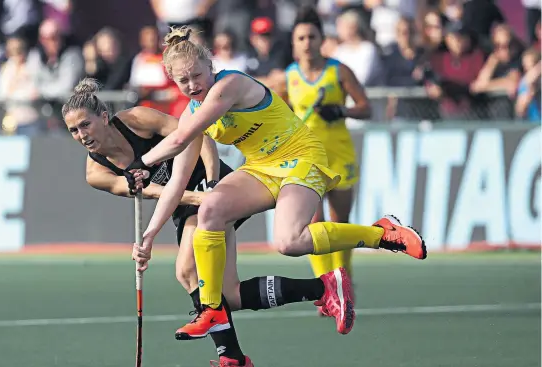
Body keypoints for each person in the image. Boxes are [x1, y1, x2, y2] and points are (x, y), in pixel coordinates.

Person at [126, 26, 427, 339]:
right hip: (261, 167)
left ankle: (384, 235)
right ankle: (212, 309)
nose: (191, 85)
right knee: (210, 209)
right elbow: (177, 182)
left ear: (210, 66)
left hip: (301, 156)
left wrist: (142, 163)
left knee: (289, 242)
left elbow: (178, 138)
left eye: (196, 76)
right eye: (182, 80)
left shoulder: (230, 84)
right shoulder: (192, 112)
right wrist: (149, 236)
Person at [62, 78, 358, 367]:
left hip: (219, 189)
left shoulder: (137, 120)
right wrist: (197, 200)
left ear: (103, 117)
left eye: (85, 125)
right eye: (74, 131)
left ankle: (233, 362)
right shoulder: (96, 173)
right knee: (227, 295)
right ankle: (323, 288)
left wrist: (213, 182)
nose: (82, 136)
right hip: (188, 204)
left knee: (187, 271)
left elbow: (195, 135)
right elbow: (152, 192)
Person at [284, 8, 370, 313]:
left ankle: (343, 282)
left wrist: (341, 111)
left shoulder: (339, 71)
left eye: (312, 36)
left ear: (322, 39)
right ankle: (326, 289)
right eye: (301, 38)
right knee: (313, 224)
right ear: (294, 43)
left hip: (339, 155)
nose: (307, 43)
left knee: (340, 224)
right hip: (309, 160)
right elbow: (278, 117)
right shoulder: (288, 77)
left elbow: (366, 107)